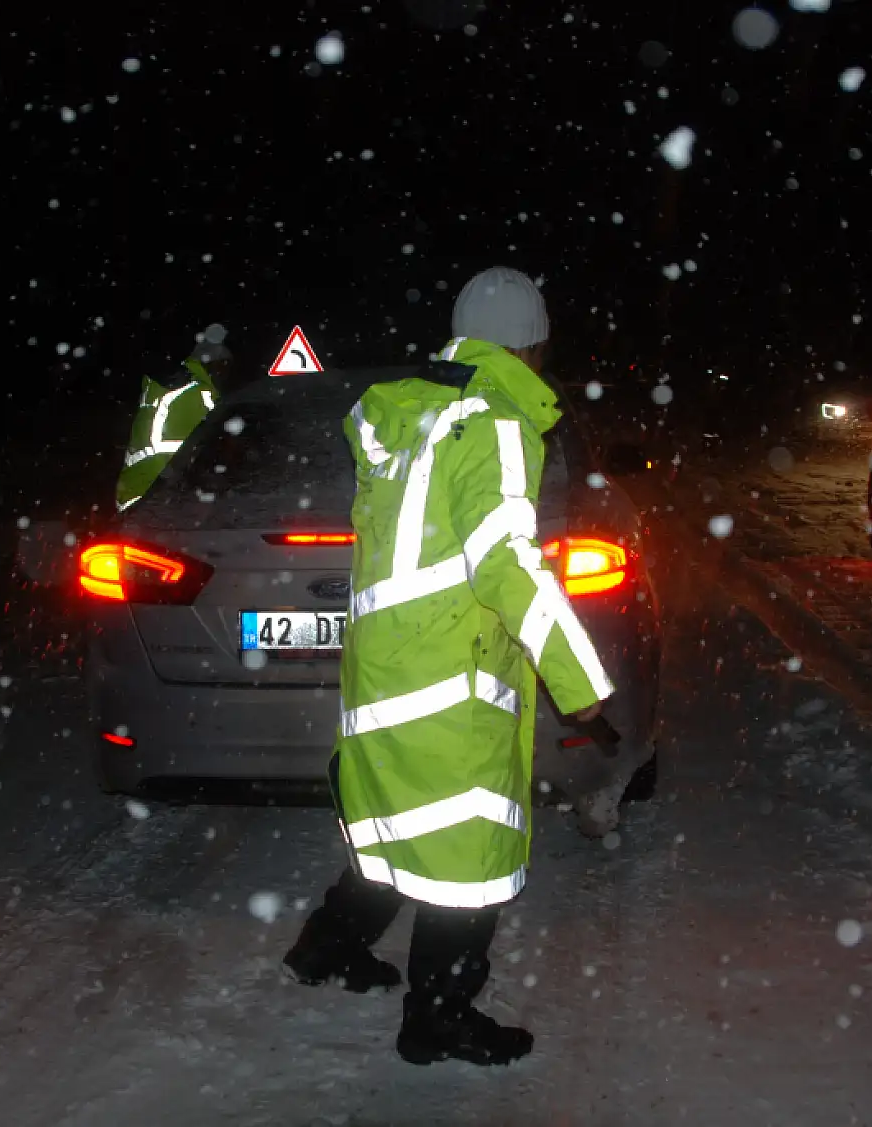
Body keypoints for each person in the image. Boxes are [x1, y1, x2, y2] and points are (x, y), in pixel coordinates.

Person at [283, 267, 615, 1066]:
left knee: (397, 831)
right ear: (530, 345)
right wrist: (580, 685)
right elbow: (504, 564)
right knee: (468, 868)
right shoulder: (494, 422)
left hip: (385, 674)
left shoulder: (410, 414)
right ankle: (437, 1019)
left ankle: (323, 948)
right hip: (449, 687)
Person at [115, 324, 234, 511]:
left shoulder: (178, 385)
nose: (226, 373)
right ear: (213, 364)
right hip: (156, 493)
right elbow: (201, 443)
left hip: (142, 491)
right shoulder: (198, 393)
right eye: (224, 365)